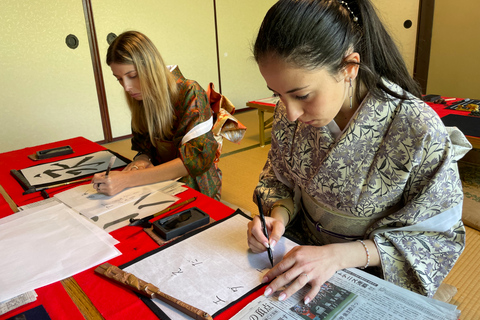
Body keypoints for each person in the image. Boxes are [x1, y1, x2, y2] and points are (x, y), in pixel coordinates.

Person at [247, 0, 472, 305]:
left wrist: (337, 256)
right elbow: (279, 181)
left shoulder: (416, 126)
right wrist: (277, 220)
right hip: (303, 252)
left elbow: (436, 236)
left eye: (301, 95)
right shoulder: (291, 115)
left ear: (349, 67)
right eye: (278, 94)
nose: (290, 113)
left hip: (375, 269)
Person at [92, 31, 221, 200]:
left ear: (151, 68)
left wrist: (127, 179)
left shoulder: (190, 92)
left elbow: (194, 160)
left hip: (194, 185)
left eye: (132, 76)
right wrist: (141, 160)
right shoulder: (141, 97)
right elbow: (144, 146)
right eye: (119, 79)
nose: (127, 87)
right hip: (156, 179)